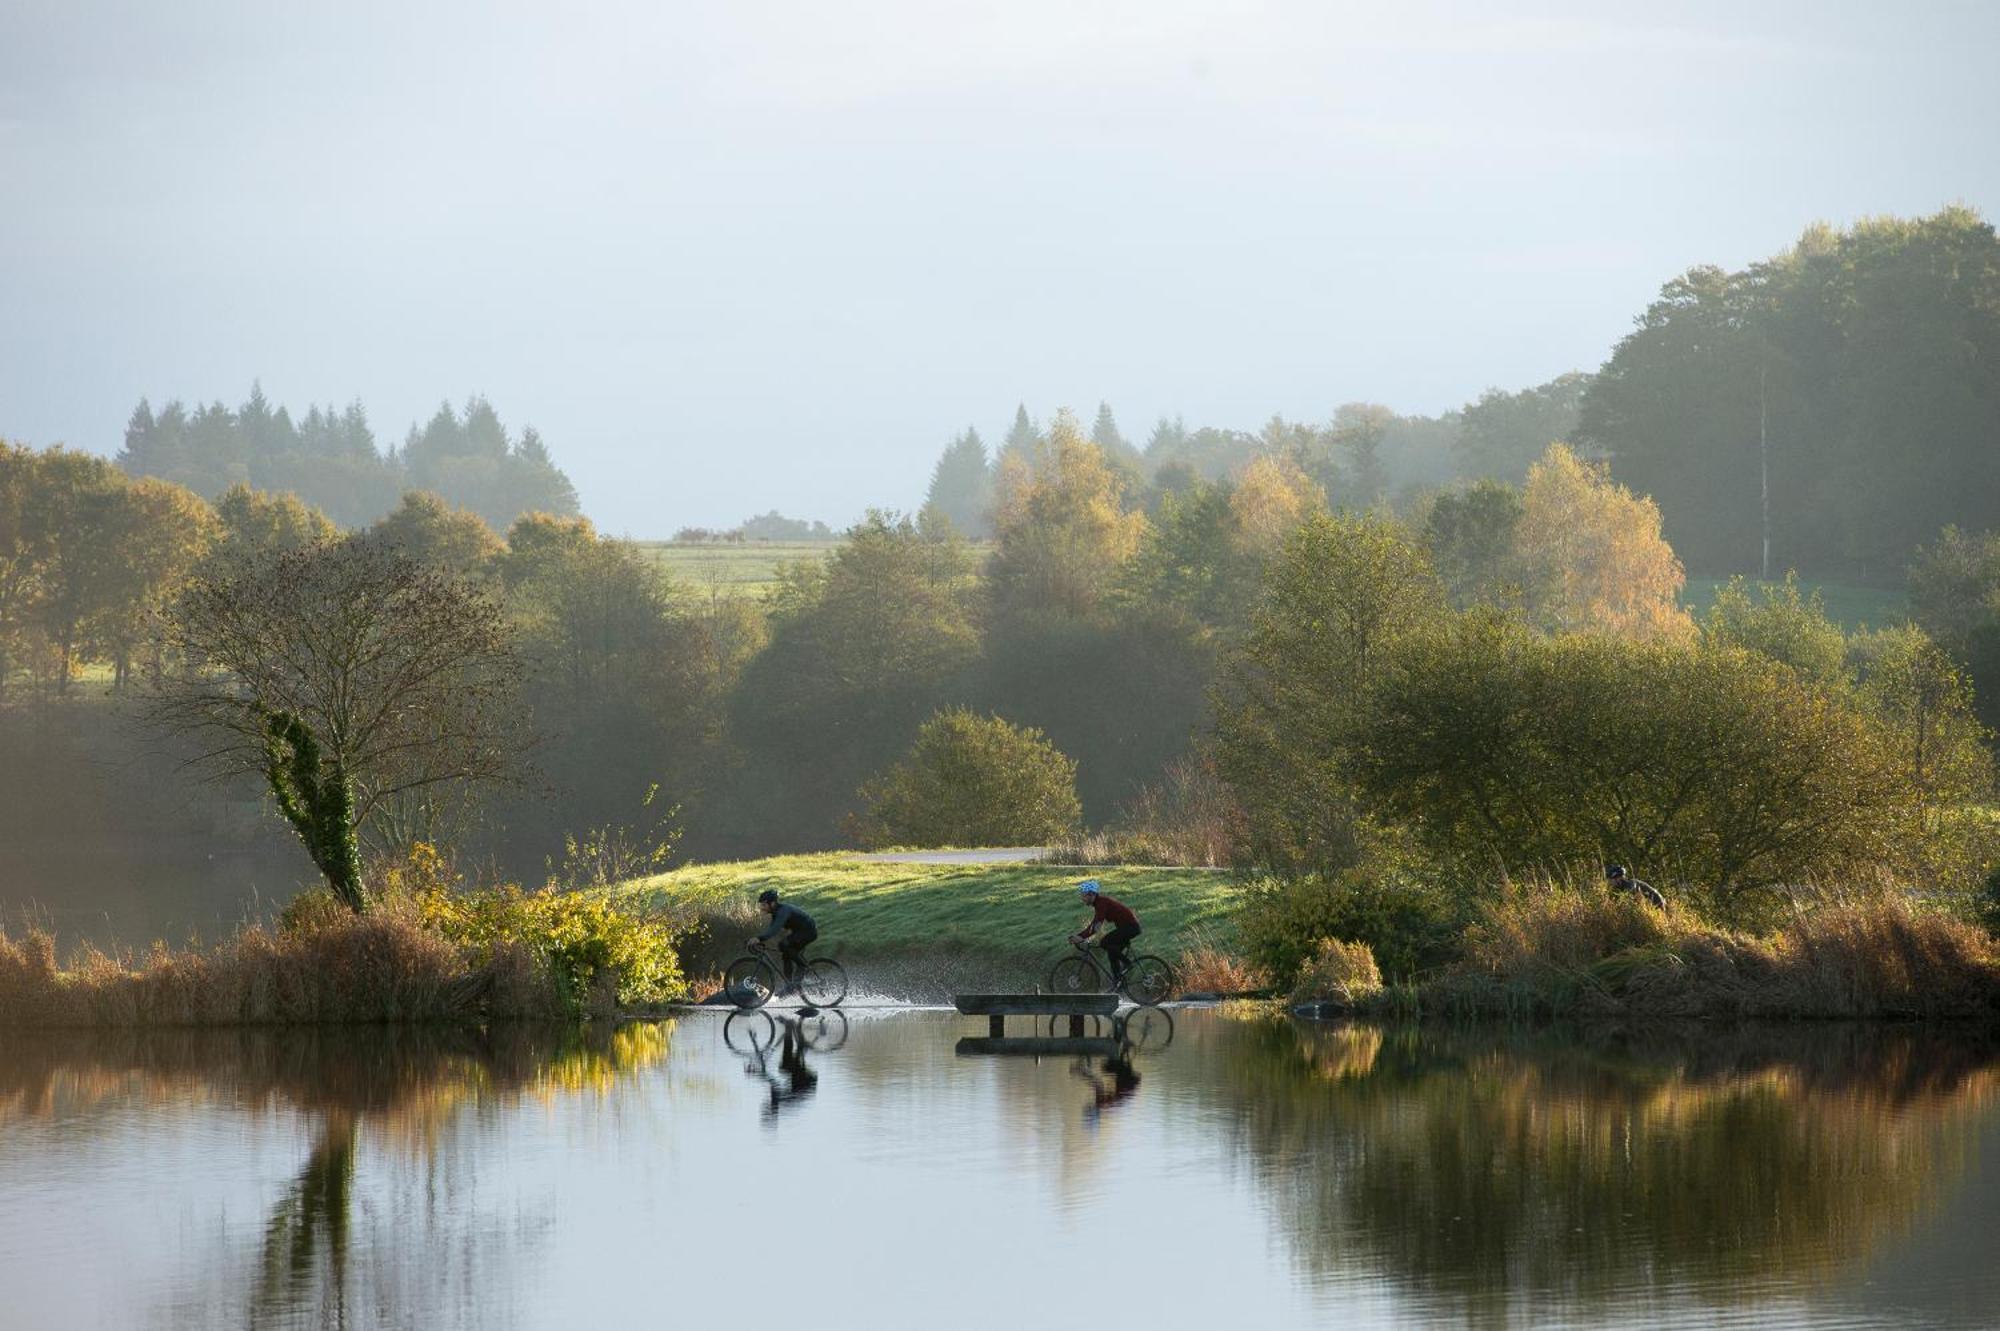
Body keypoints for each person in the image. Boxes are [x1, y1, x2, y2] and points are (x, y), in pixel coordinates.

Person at [1071, 879, 1141, 984]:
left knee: (1104, 942)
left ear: (1091, 894)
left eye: (1084, 895)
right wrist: (1080, 935)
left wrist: (1081, 937)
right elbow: (1094, 923)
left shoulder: (1101, 903)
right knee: (1112, 953)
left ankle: (1128, 963)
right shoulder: (1099, 903)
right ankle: (1118, 983)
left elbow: (1096, 926)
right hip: (1126, 927)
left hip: (1131, 927)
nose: (1082, 898)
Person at [752, 888, 818, 994]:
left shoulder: (783, 911)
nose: (762, 908)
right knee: (786, 954)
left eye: (764, 905)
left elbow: (775, 929)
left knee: (784, 945)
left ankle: (802, 967)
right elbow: (771, 929)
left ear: (772, 903)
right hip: (800, 932)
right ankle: (790, 986)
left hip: (808, 932)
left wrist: (759, 938)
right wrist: (760, 939)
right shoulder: (776, 912)